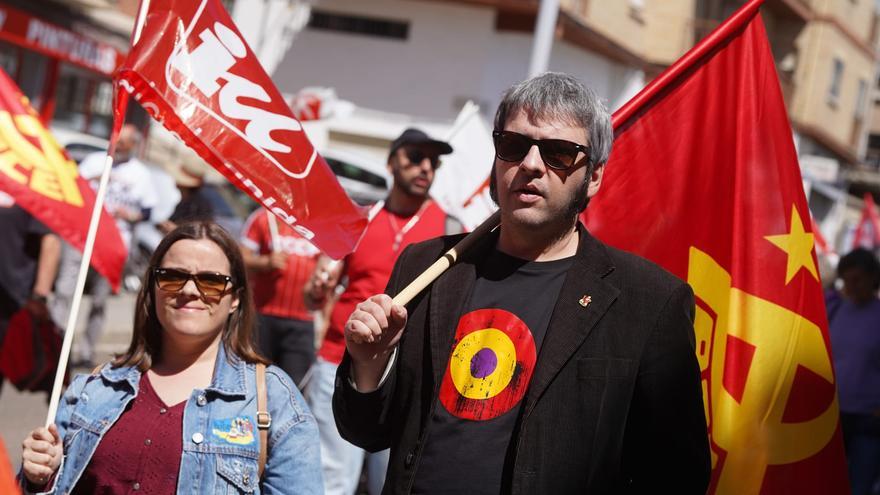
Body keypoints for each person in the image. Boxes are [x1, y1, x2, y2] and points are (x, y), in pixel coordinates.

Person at [334, 73, 711, 494]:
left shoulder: (648, 302)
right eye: (514, 146)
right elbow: (369, 433)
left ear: (595, 177)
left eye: (559, 153)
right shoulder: (427, 266)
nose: (530, 164)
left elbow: (677, 474)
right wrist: (369, 364)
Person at [20, 222, 323, 494]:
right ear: (152, 288)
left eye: (212, 281)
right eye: (173, 276)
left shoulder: (273, 401)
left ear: (235, 299)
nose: (190, 290)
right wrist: (38, 479)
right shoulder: (96, 388)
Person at [304, 128, 455, 495]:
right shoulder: (358, 220)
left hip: (406, 373)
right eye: (415, 157)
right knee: (333, 479)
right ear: (391, 162)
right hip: (339, 361)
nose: (425, 168)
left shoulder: (451, 230)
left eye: (432, 162)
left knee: (390, 481)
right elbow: (312, 297)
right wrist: (317, 289)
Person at [51, 123, 159, 367]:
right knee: (65, 291)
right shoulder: (94, 161)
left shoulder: (140, 174)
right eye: (116, 141)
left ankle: (87, 351)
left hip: (113, 243)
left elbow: (148, 210)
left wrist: (132, 216)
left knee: (99, 300)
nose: (118, 146)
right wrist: (94, 178)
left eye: (124, 143)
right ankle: (56, 345)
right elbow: (68, 188)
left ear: (134, 146)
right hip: (82, 237)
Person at [241, 208, 321, 386]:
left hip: (303, 320)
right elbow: (240, 257)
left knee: (293, 385)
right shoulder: (264, 217)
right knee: (254, 379)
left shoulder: (321, 224)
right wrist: (265, 262)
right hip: (263, 316)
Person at [827, 248, 880, 495]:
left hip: (868, 422)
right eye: (847, 279)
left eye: (857, 279)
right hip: (832, 416)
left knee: (858, 487)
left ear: (872, 278)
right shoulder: (835, 309)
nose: (852, 286)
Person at [0, 191, 60, 393]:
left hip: (16, 305)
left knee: (46, 379)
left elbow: (50, 241)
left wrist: (39, 295)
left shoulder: (30, 185)